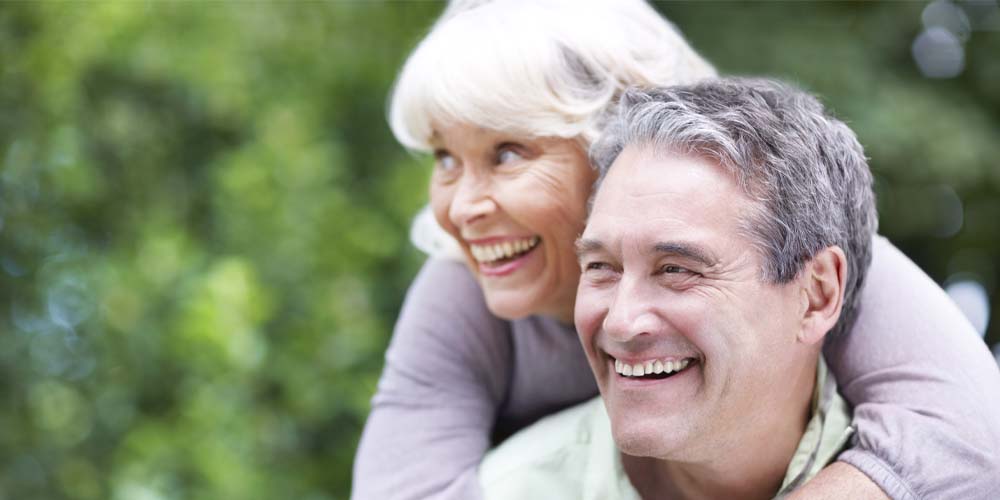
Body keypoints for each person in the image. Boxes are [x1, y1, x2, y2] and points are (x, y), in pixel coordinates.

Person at [352, 1, 1000, 499]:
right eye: (444, 158)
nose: (462, 207)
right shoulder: (459, 292)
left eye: (508, 153)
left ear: (615, 144)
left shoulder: (799, 244)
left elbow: (973, 433)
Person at [480, 78, 875, 499]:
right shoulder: (506, 489)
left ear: (816, 296)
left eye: (675, 270)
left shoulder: (924, 476)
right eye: (601, 267)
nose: (620, 322)